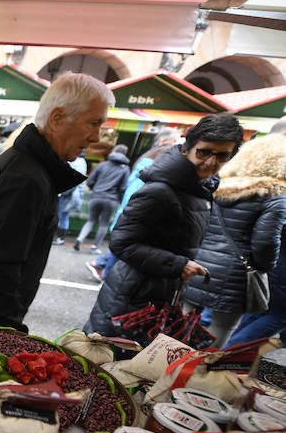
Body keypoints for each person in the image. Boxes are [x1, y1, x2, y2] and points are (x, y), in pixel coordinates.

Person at [0, 73, 113, 332]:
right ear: (57, 118)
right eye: (93, 123)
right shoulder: (27, 178)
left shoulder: (23, 164)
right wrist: (10, 332)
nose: (96, 137)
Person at [84, 113, 245, 336]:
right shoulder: (159, 191)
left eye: (221, 156)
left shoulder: (200, 190)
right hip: (132, 296)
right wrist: (179, 265)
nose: (210, 162)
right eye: (204, 152)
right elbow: (122, 244)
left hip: (163, 294)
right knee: (105, 361)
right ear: (185, 150)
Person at [181, 134, 286, 347]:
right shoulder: (275, 197)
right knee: (221, 327)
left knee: (184, 320)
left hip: (199, 263)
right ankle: (194, 373)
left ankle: (163, 365)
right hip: (236, 275)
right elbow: (265, 243)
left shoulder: (219, 184)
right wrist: (264, 268)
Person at [86, 128, 180, 280]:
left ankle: (99, 263)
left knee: (117, 238)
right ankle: (105, 274)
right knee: (125, 242)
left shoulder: (143, 159)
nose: (176, 146)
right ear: (163, 141)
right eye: (175, 141)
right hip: (134, 208)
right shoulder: (158, 160)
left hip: (122, 204)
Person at [73, 143, 130, 254]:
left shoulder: (102, 165)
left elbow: (89, 182)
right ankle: (94, 247)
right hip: (111, 200)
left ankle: (80, 238)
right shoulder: (125, 169)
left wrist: (96, 189)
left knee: (91, 220)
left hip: (95, 197)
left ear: (114, 152)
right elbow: (123, 188)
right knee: (104, 224)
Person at [55, 151, 87, 245]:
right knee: (63, 215)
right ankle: (60, 237)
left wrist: (61, 191)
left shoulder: (78, 162)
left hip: (68, 194)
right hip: (68, 194)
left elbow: (73, 180)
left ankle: (60, 238)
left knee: (62, 215)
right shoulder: (81, 162)